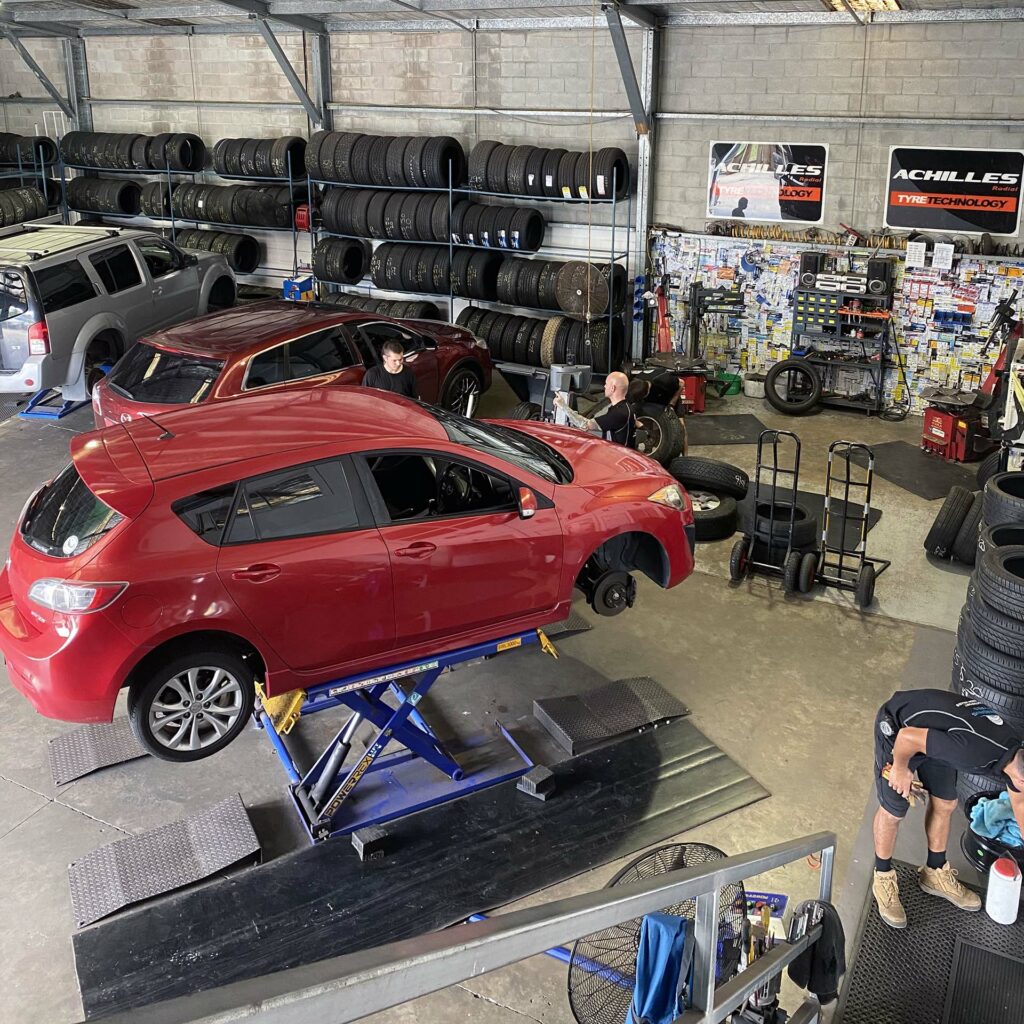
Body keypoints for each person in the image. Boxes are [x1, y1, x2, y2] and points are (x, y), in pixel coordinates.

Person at [871, 688, 1024, 929]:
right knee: (893, 812)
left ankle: (934, 872)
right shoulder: (974, 752)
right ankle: (882, 877)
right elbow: (907, 738)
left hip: (939, 735)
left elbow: (1020, 802)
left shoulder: (1017, 756)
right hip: (899, 730)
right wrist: (901, 768)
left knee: (946, 803)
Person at [553, 370, 635, 447]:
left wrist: (562, 405)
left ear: (613, 388)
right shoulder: (627, 407)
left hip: (617, 456)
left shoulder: (618, 413)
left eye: (606, 384)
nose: (604, 386)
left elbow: (584, 425)